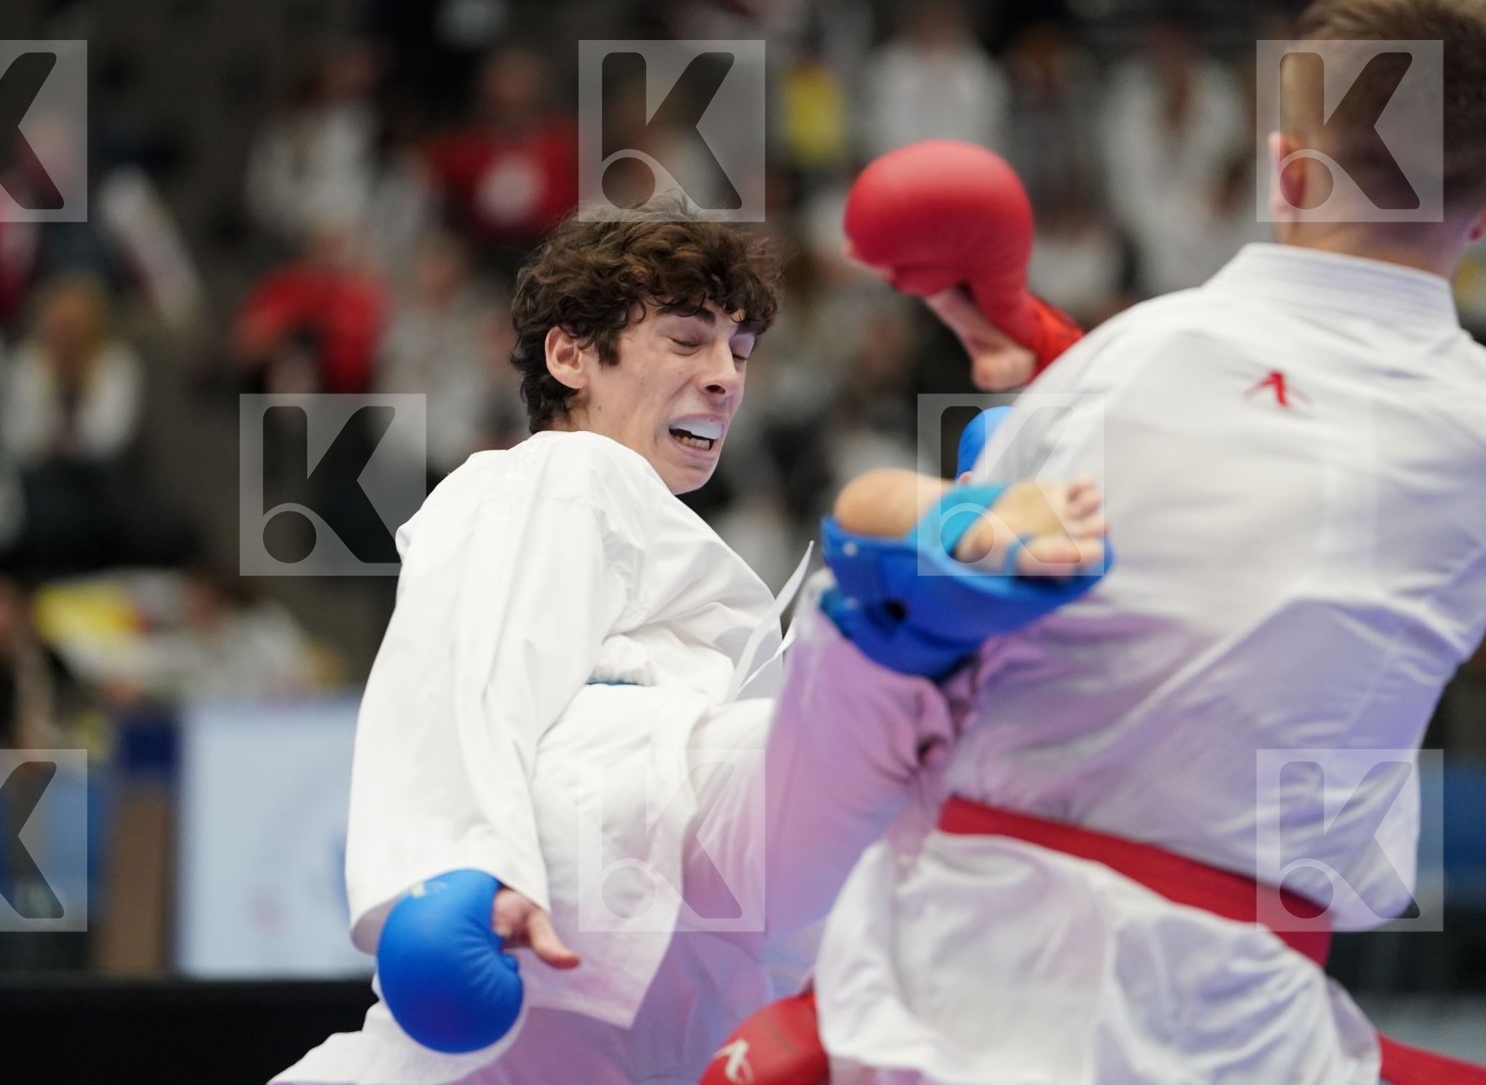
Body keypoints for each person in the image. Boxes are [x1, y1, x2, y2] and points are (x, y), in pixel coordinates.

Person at [719, 0, 1486, 1084]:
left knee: (939, 559)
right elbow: (1295, 481)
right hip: (1243, 1021)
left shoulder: (1130, 362)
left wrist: (1050, 377)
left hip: (949, 979)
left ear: (1285, 170)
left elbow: (1109, 509)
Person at [272, 204, 1108, 1085]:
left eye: (740, 354)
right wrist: (457, 872)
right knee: (820, 759)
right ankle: (910, 612)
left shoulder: (674, 560)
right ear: (570, 357)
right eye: (686, 341)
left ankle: (923, 616)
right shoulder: (560, 473)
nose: (726, 380)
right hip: (573, 893)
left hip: (656, 1012)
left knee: (850, 797)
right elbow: (470, 668)